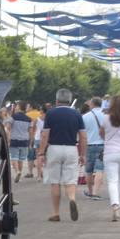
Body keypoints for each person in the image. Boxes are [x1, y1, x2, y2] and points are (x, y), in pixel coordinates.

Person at [38, 88, 86, 222]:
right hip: (71, 149)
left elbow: (45, 135)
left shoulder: (51, 113)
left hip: (54, 148)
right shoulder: (77, 114)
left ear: (57, 100)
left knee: (55, 182)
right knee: (70, 181)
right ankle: (71, 199)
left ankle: (55, 213)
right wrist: (82, 154)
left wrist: (41, 152)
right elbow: (83, 136)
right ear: (70, 100)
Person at [103, 95, 120, 222]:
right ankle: (119, 208)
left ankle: (115, 205)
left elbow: (101, 133)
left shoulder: (106, 118)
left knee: (112, 181)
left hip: (110, 152)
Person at [82, 97, 107, 200]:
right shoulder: (106, 116)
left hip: (89, 145)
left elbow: (82, 133)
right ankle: (96, 193)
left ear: (92, 104)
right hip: (102, 146)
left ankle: (90, 191)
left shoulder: (85, 116)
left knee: (89, 170)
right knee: (99, 169)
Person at [7, 101, 33, 180]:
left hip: (14, 139)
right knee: (21, 159)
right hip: (24, 141)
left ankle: (17, 171)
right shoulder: (29, 119)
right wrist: (30, 143)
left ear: (19, 107)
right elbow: (31, 132)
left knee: (14, 157)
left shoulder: (13, 117)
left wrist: (8, 139)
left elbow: (8, 127)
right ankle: (19, 173)